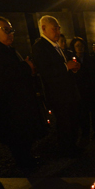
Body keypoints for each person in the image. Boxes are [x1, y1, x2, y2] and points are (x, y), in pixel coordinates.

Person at [0, 16, 45, 169]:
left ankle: (28, 157)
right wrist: (26, 67)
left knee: (25, 132)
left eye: (11, 31)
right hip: (8, 102)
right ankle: (23, 162)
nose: (11, 34)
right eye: (6, 30)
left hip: (19, 99)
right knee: (16, 134)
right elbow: (4, 73)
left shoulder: (8, 49)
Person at [31, 15, 82, 156]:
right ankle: (67, 149)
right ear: (43, 28)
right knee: (64, 123)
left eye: (59, 28)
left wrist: (72, 68)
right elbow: (45, 70)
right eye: (55, 29)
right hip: (58, 94)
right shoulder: (40, 47)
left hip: (68, 92)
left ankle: (72, 146)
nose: (58, 32)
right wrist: (66, 66)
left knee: (72, 120)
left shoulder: (56, 46)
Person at [70, 36, 95, 144]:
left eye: (81, 45)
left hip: (92, 90)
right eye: (77, 46)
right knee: (83, 114)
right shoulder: (72, 60)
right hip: (81, 91)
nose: (80, 48)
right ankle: (85, 133)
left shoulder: (90, 59)